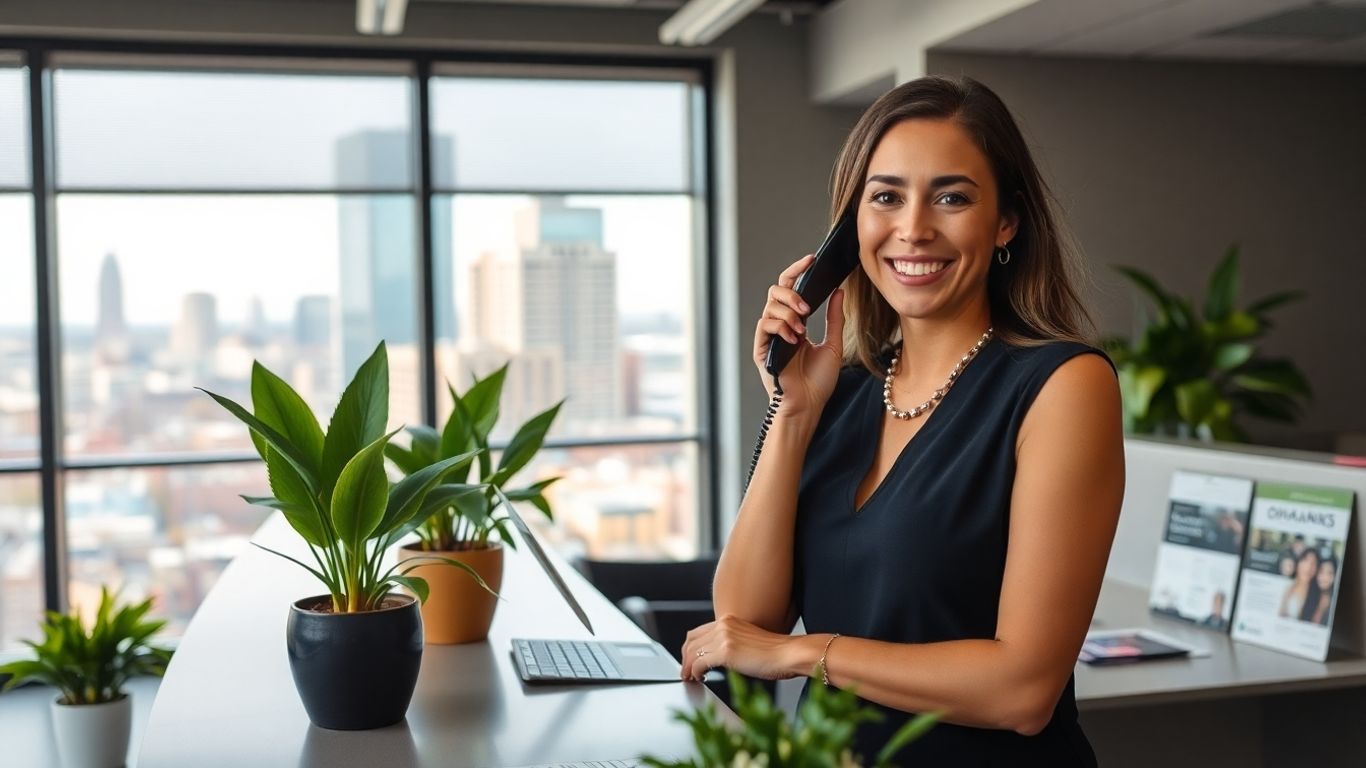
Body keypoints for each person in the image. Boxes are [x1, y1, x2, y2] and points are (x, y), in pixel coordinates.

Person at [679, 76, 1124, 765]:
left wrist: (804, 654)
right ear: (850, 227)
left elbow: (1024, 690)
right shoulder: (842, 391)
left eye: (951, 197)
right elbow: (743, 624)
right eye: (885, 197)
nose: (913, 228)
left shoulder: (1063, 386)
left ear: (1005, 220)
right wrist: (793, 411)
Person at [1279, 547, 1320, 620]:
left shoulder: (1317, 594)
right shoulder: (1284, 584)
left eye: (1313, 563)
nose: (1308, 567)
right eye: (1305, 560)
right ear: (1298, 563)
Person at [1307, 552, 1337, 626]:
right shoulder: (1309, 594)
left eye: (1330, 573)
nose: (1325, 577)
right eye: (1321, 571)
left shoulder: (1334, 601)